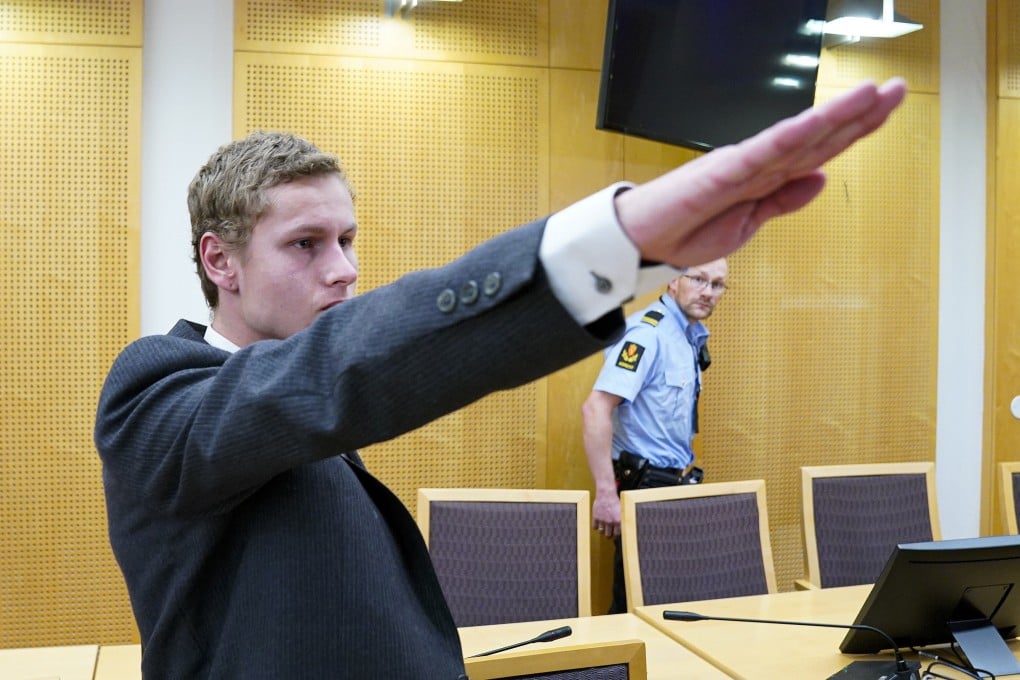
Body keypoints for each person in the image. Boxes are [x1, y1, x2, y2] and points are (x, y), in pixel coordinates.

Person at [93, 77, 907, 678]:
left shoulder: (286, 396)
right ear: (219, 260)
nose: (345, 270)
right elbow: (342, 373)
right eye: (306, 244)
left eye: (347, 238)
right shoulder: (159, 391)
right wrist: (616, 242)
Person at [582, 259, 728, 614]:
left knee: (665, 604)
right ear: (672, 280)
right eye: (698, 279)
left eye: (718, 284)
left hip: (671, 485)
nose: (708, 292)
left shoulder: (687, 336)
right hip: (643, 487)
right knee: (634, 608)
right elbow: (595, 408)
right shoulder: (647, 335)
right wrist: (605, 494)